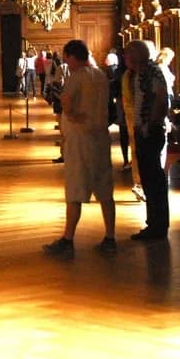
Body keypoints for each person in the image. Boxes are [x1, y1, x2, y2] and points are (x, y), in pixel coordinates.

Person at [43, 40, 117, 256]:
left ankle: (68, 240)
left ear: (73, 56)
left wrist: (72, 115)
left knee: (75, 190)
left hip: (80, 139)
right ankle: (110, 237)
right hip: (100, 138)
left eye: (67, 58)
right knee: (105, 190)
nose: (66, 62)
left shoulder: (77, 76)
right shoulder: (101, 75)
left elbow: (66, 99)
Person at [120, 40, 170, 240]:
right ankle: (154, 223)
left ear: (136, 56)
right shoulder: (141, 73)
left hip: (150, 132)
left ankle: (158, 226)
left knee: (153, 180)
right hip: (144, 131)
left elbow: (161, 98)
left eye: (127, 54)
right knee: (149, 180)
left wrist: (151, 125)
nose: (125, 58)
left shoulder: (152, 72)